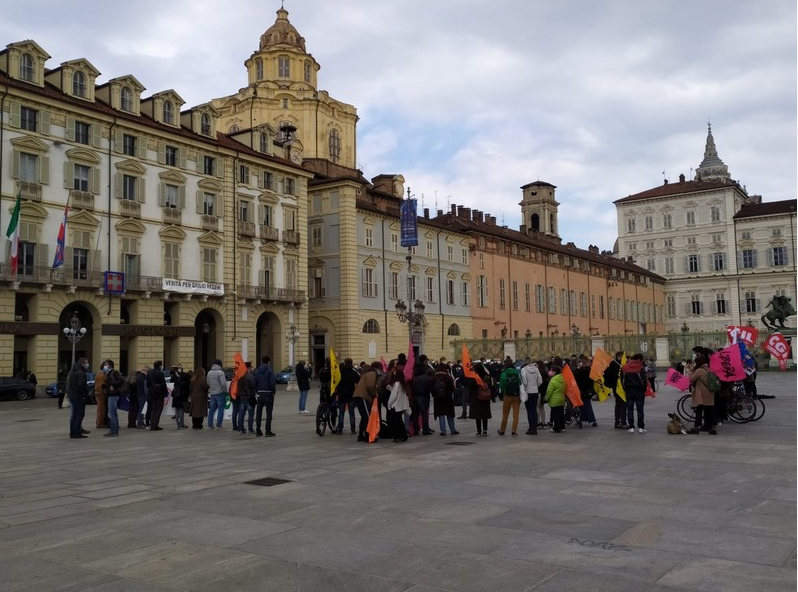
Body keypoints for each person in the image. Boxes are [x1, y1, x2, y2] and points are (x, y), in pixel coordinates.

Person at [688, 353, 717, 435]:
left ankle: (696, 427)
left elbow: (691, 379)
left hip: (701, 394)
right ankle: (713, 428)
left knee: (699, 410)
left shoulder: (699, 370)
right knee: (710, 410)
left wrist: (690, 371)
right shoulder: (708, 369)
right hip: (710, 393)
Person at [351, 361, 380, 442]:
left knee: (364, 416)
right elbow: (370, 385)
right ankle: (368, 436)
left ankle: (361, 435)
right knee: (367, 417)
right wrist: (374, 394)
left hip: (360, 396)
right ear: (377, 368)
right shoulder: (372, 373)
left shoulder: (368, 373)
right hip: (363, 396)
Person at [622, 353, 647, 433]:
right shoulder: (640, 368)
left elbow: (622, 380)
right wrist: (643, 389)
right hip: (639, 390)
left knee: (630, 409)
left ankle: (631, 427)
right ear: (639, 359)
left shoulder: (624, 367)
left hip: (629, 390)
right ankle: (641, 427)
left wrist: (625, 388)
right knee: (640, 409)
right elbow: (644, 380)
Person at [333, 358, 359, 435]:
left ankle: (340, 429)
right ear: (351, 363)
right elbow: (358, 381)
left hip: (342, 394)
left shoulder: (340, 372)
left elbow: (336, 382)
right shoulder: (354, 372)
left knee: (341, 413)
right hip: (351, 394)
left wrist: (336, 391)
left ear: (344, 363)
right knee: (351, 413)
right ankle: (353, 429)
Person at [497, 359, 523, 436]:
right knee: (516, 414)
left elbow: (501, 385)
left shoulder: (504, 373)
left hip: (507, 396)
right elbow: (520, 383)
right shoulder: (518, 373)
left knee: (505, 414)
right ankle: (514, 431)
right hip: (516, 396)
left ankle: (502, 430)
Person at [432, 363, 458, 436]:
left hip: (438, 399)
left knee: (441, 414)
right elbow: (452, 388)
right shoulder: (448, 377)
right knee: (450, 414)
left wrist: (435, 395)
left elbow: (432, 389)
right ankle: (452, 430)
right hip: (448, 398)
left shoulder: (434, 377)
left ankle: (443, 431)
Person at [253, 355, 277, 437]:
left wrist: (257, 391)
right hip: (268, 393)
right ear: (268, 362)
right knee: (269, 413)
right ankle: (267, 430)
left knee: (258, 413)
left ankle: (258, 430)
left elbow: (254, 382)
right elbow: (272, 382)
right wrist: (273, 391)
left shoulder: (257, 371)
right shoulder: (270, 370)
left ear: (261, 361)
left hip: (260, 393)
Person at [67, 357, 90, 439]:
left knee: (75, 414)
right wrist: (84, 395)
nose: (87, 364)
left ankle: (72, 432)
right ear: (82, 364)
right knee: (80, 414)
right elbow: (81, 385)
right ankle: (77, 432)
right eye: (86, 363)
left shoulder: (73, 372)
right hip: (79, 396)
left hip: (73, 395)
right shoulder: (81, 373)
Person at [467, 362, 492, 436]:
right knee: (484, 414)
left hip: (476, 397)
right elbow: (490, 385)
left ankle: (479, 431)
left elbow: (470, 386)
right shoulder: (486, 376)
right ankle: (485, 431)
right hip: (485, 397)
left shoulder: (474, 377)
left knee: (477, 415)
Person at [386, 366, 410, 442]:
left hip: (395, 405)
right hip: (401, 405)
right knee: (399, 421)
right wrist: (391, 389)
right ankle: (404, 435)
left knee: (395, 422)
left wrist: (389, 404)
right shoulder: (403, 384)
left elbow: (394, 396)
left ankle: (397, 436)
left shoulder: (396, 383)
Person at [410, 366, 435, 435]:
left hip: (414, 396)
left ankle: (416, 430)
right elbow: (430, 390)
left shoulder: (417, 378)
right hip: (422, 397)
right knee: (424, 414)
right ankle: (425, 430)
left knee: (415, 413)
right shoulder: (429, 380)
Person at [605, 351, 627, 430]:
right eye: (623, 357)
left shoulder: (613, 364)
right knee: (623, 405)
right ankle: (623, 422)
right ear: (620, 357)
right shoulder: (617, 365)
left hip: (615, 388)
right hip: (620, 388)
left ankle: (617, 422)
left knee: (618, 404)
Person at [574, 355, 598, 427]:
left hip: (582, 390)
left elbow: (576, 377)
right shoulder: (590, 370)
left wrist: (578, 369)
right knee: (586, 405)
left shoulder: (583, 371)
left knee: (586, 405)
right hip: (588, 390)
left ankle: (592, 420)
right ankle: (586, 419)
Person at [104, 360, 126, 437]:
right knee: (113, 413)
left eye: (106, 364)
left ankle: (113, 431)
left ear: (110, 365)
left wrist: (113, 385)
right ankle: (114, 430)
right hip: (111, 394)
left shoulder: (114, 372)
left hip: (113, 394)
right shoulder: (108, 373)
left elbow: (121, 379)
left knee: (112, 413)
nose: (105, 366)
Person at [520, 358, 542, 435]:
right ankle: (535, 428)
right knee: (534, 410)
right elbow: (540, 381)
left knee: (529, 411)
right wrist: (535, 386)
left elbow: (525, 382)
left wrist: (526, 388)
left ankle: (531, 428)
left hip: (528, 392)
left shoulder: (523, 370)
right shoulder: (536, 369)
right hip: (535, 392)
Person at [146, 361, 167, 431]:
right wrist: (165, 392)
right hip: (160, 393)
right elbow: (163, 384)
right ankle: (155, 424)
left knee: (153, 408)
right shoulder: (160, 373)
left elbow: (147, 384)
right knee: (159, 409)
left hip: (152, 392)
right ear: (160, 366)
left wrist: (151, 389)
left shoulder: (149, 372)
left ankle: (152, 424)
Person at [236, 361, 256, 435]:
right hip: (249, 397)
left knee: (241, 413)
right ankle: (250, 429)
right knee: (251, 414)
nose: (252, 368)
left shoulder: (240, 376)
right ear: (248, 368)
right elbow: (253, 386)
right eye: (251, 367)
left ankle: (241, 429)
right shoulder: (250, 376)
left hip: (242, 396)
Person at [206, 359, 227, 430]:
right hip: (220, 393)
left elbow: (207, 382)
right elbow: (223, 384)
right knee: (220, 409)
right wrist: (225, 391)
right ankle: (219, 425)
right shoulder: (220, 372)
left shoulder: (209, 372)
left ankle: (210, 425)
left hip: (212, 393)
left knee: (212, 410)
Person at [545, 365, 566, 433]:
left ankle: (556, 428)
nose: (550, 372)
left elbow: (549, 392)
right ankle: (562, 427)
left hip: (554, 400)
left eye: (551, 370)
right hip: (562, 399)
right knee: (561, 414)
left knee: (556, 415)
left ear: (555, 372)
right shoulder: (563, 379)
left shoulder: (553, 380)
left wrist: (546, 398)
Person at [170, 365, 188, 430]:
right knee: (180, 410)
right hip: (181, 396)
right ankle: (180, 424)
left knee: (177, 410)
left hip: (176, 395)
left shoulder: (177, 377)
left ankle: (178, 424)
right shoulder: (182, 376)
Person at [94, 361, 108, 429]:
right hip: (100, 393)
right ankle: (100, 423)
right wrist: (104, 393)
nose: (107, 366)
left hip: (99, 392)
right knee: (101, 408)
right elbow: (101, 385)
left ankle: (100, 422)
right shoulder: (101, 375)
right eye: (106, 365)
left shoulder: (102, 374)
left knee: (101, 408)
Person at [535, 360, 548, 428]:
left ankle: (538, 422)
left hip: (538, 391)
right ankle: (543, 423)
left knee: (537, 407)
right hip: (544, 392)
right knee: (542, 408)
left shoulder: (537, 372)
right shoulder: (545, 372)